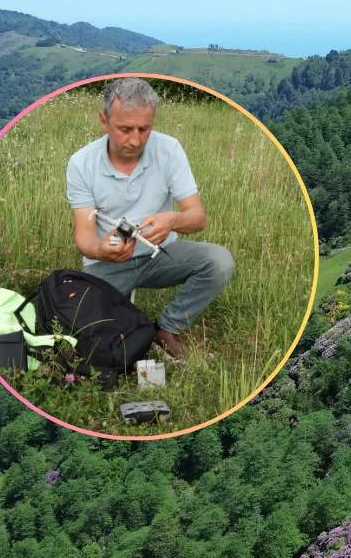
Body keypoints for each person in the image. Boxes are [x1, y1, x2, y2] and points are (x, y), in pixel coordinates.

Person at [66, 77, 234, 360]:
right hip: (106, 265)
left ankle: (167, 328)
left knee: (219, 261)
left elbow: (197, 217)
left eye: (145, 129)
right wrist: (101, 250)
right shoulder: (81, 163)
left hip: (161, 255)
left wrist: (171, 221)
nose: (135, 140)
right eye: (125, 129)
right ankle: (127, 329)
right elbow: (83, 235)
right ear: (104, 122)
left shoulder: (169, 149)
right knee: (74, 330)